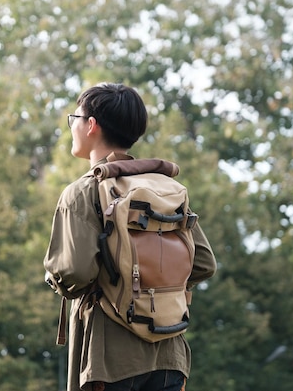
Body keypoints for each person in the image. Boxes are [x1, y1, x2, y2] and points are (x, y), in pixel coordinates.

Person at [43, 82, 217, 391]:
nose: (73, 127)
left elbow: (74, 272)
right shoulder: (167, 188)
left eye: (75, 119)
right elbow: (203, 263)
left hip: (110, 360)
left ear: (91, 125)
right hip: (170, 354)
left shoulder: (83, 192)